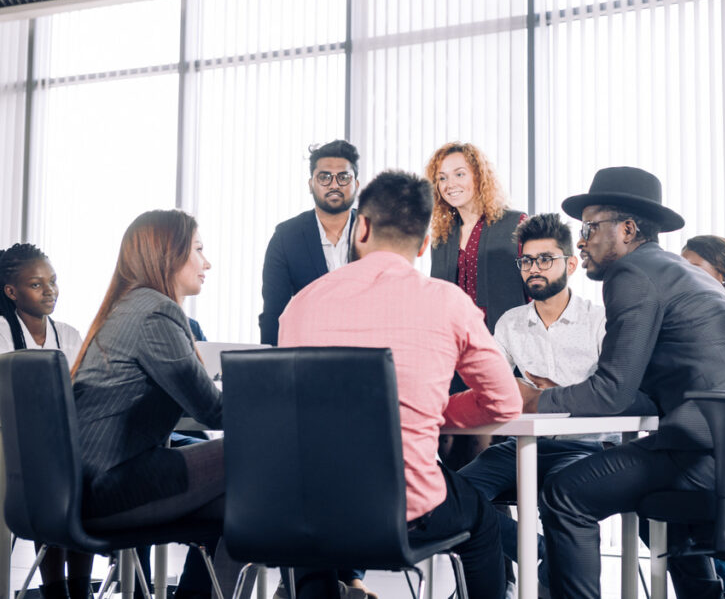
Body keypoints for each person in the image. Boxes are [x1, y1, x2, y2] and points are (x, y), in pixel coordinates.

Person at [516, 167, 725, 599]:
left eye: (591, 227)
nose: (581, 240)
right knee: (642, 492)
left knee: (566, 491)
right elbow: (640, 390)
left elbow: (611, 391)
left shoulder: (631, 275)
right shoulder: (673, 271)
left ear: (627, 229)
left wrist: (536, 400)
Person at [278, 170, 522, 599]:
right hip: (402, 511)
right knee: (483, 521)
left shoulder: (300, 305)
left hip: (303, 507)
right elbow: (504, 403)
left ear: (362, 227)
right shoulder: (447, 302)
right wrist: (436, 412)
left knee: (315, 509)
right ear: (426, 244)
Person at [69, 210, 234, 599]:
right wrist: (281, 404)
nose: (206, 262)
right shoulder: (156, 313)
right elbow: (214, 412)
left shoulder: (128, 307)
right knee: (260, 457)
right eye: (198, 249)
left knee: (238, 504)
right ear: (168, 255)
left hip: (86, 486)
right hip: (111, 488)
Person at [458, 213, 610, 592]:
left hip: (585, 448)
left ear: (570, 264)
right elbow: (489, 386)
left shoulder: (599, 321)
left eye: (545, 259)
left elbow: (611, 393)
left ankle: (549, 576)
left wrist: (546, 395)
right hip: (519, 447)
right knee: (457, 496)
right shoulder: (510, 323)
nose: (534, 268)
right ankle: (535, 552)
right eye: (526, 261)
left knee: (562, 501)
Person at [425, 141, 527, 469]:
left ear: (479, 176)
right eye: (442, 178)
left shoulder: (516, 224)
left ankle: (501, 522)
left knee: (494, 457)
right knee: (454, 453)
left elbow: (533, 292)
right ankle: (465, 519)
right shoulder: (442, 235)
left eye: (459, 174)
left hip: (500, 356)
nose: (450, 184)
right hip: (452, 359)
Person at [0, 244, 94, 599]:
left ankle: (80, 590)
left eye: (52, 281)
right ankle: (56, 589)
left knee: (84, 478)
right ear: (12, 292)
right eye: (37, 284)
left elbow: (86, 391)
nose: (50, 290)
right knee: (57, 482)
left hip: (69, 439)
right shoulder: (2, 332)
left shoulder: (68, 334)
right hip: (19, 444)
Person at [259, 139, 361, 345]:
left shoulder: (375, 232)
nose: (334, 184)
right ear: (310, 184)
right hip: (308, 357)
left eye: (343, 177)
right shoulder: (286, 237)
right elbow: (273, 314)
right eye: (324, 177)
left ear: (356, 184)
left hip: (367, 353)